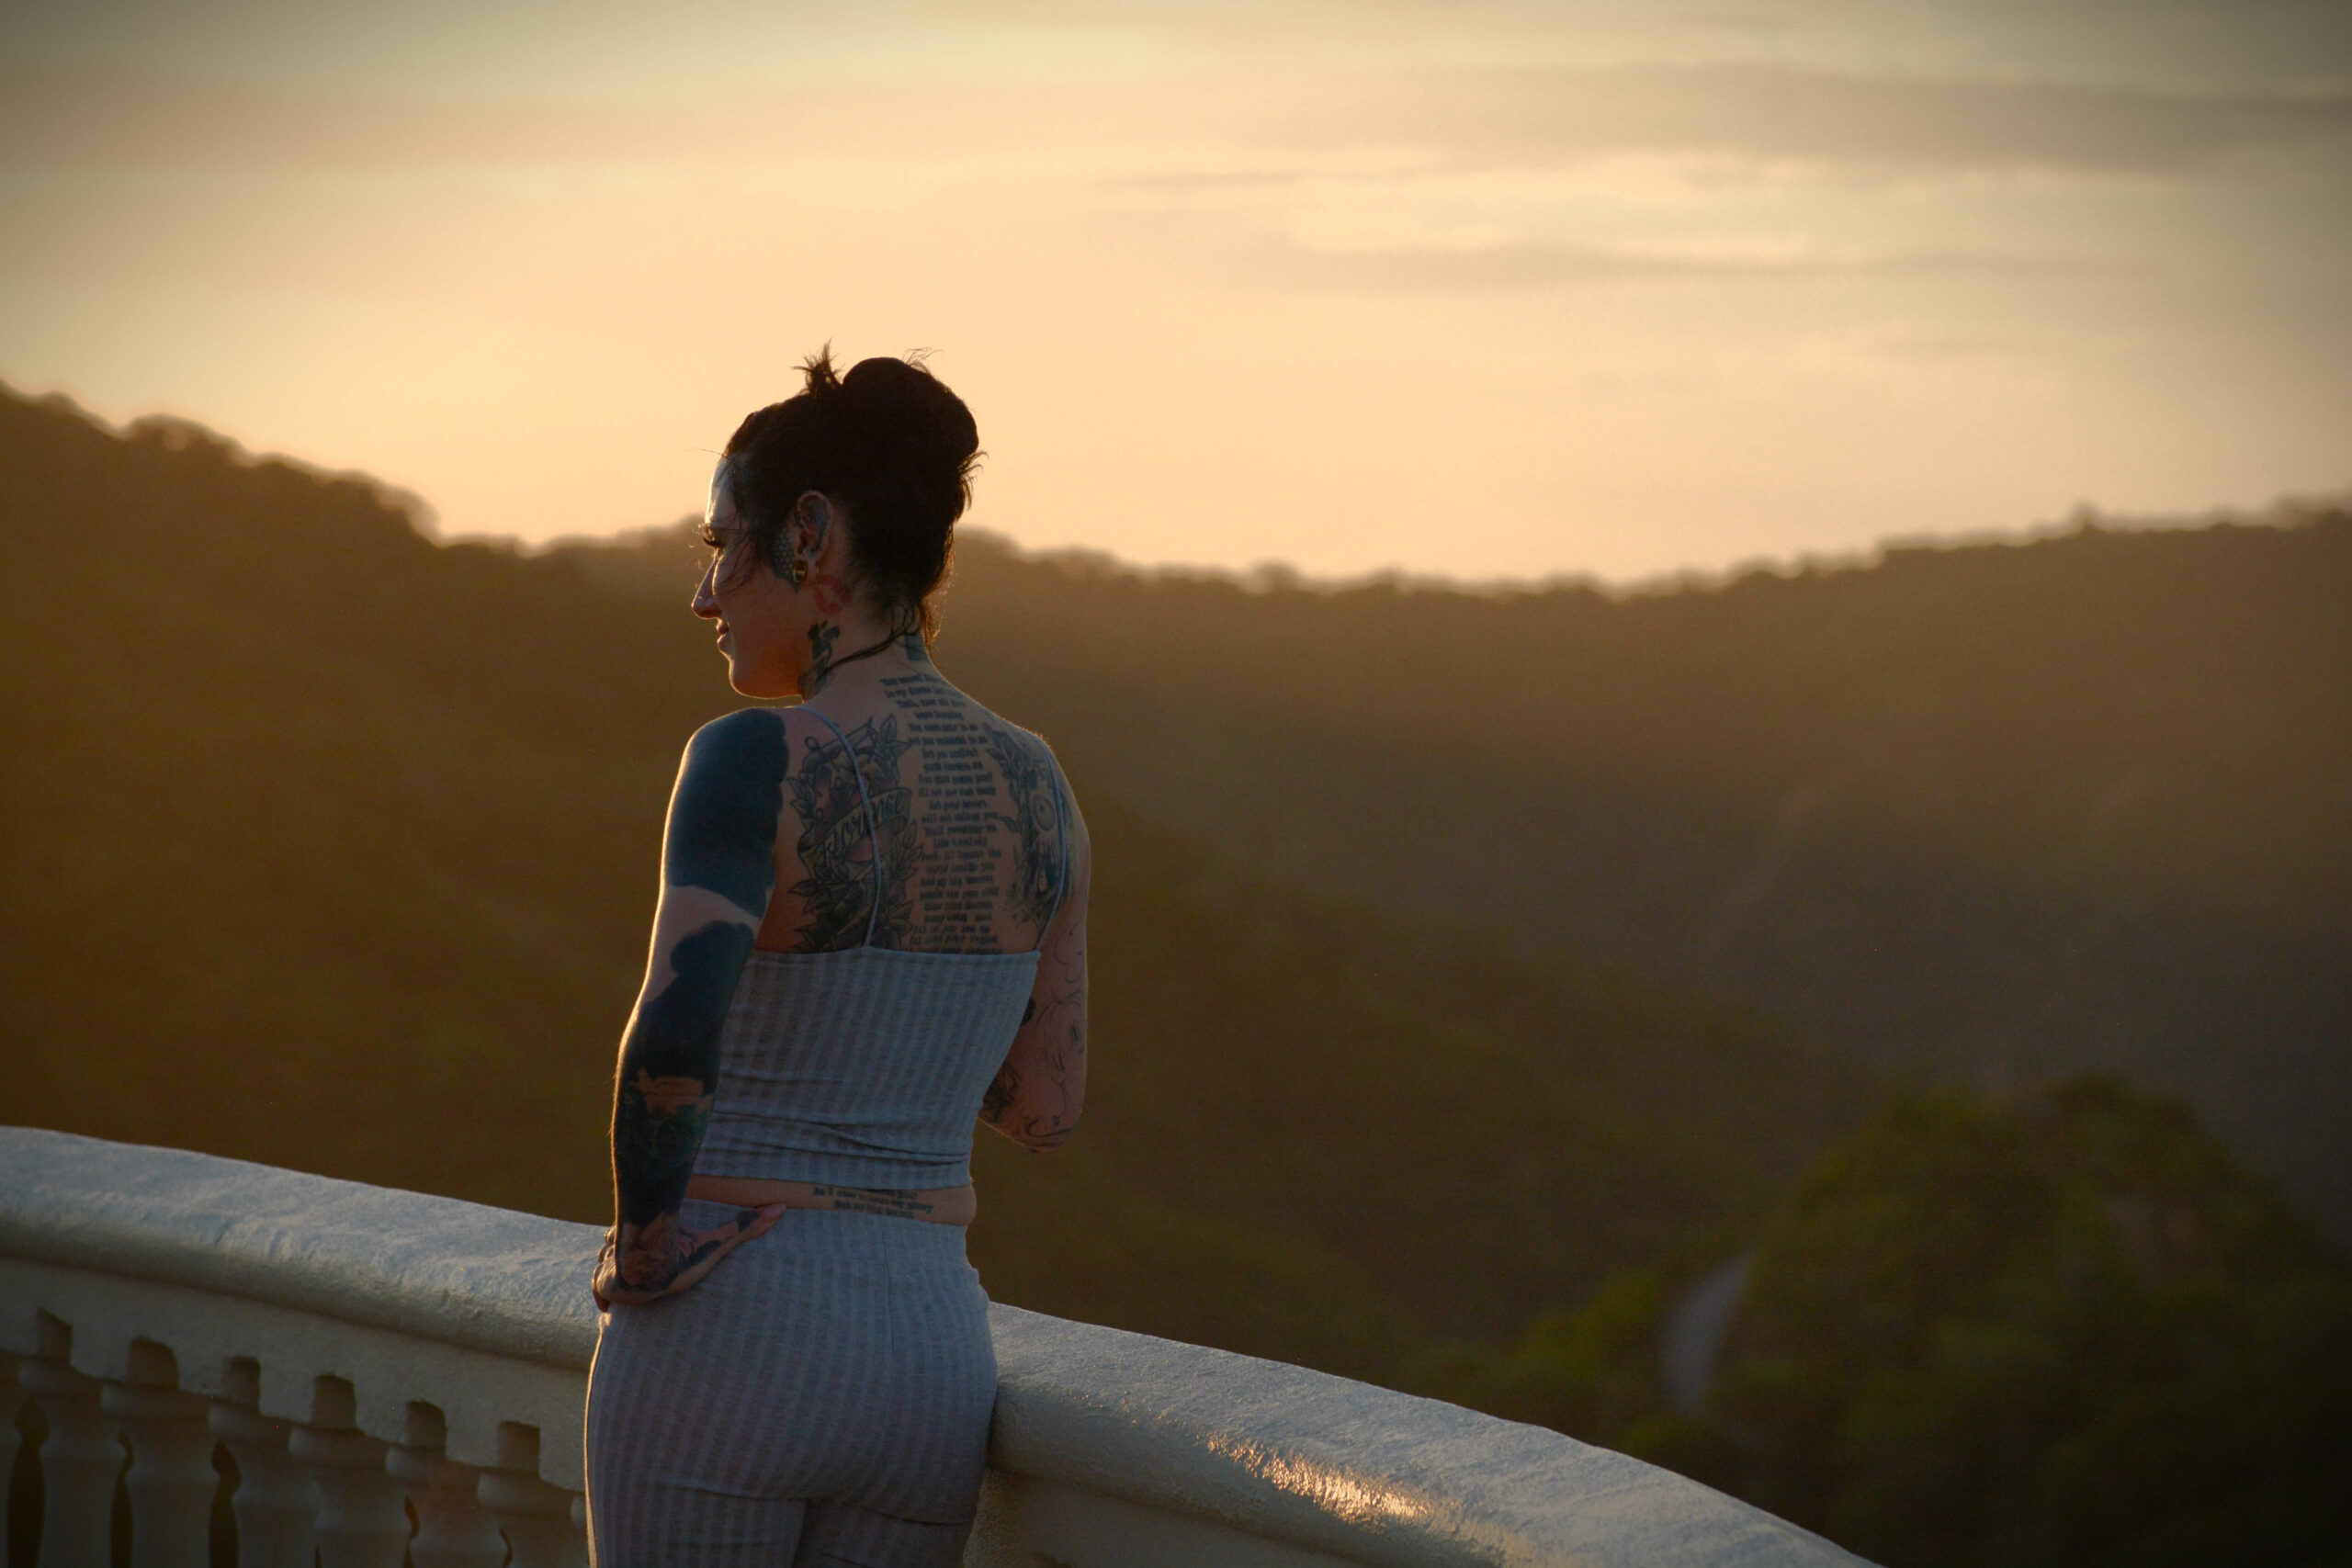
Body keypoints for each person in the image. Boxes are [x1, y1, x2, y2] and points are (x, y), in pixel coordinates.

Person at [582, 350, 1090, 1567]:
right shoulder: (1039, 789)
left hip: (729, 1329)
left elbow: (674, 1031)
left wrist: (644, 1250)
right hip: (928, 1355)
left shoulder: (752, 758)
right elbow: (1044, 1109)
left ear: (809, 537)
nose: (705, 596)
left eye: (723, 547)